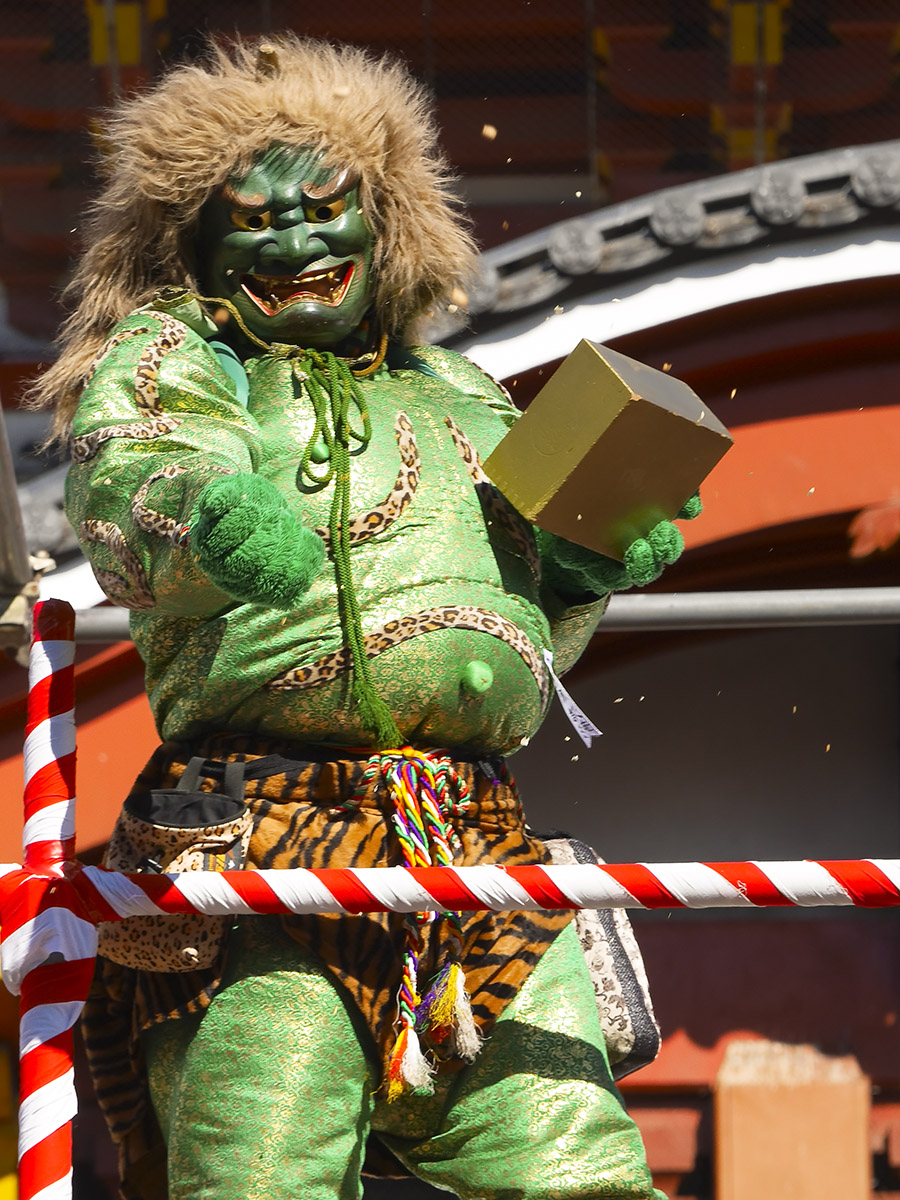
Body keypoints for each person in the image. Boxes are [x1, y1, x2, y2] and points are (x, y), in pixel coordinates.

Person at [32, 34, 695, 1200]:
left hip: (469, 839)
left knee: (576, 1167)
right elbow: (128, 482)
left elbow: (521, 624)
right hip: (257, 834)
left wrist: (587, 563)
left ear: (384, 221)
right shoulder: (181, 360)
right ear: (194, 244)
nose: (294, 241)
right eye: (251, 220)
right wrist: (208, 516)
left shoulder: (462, 396)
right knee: (263, 1169)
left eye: (325, 208)